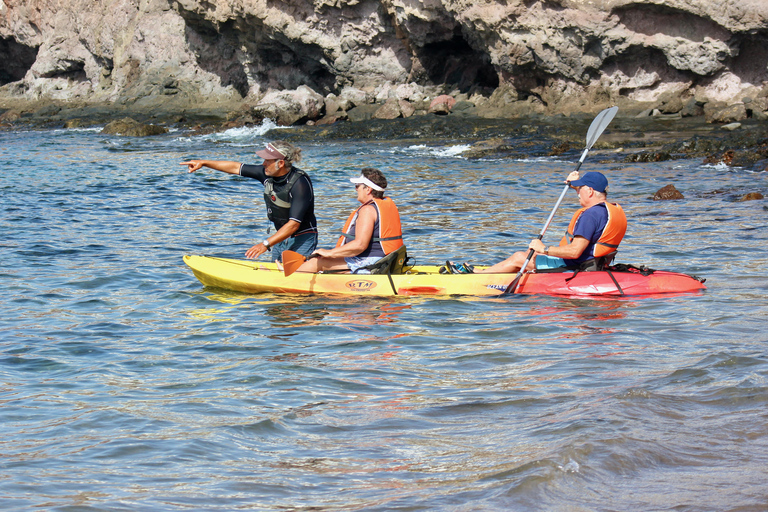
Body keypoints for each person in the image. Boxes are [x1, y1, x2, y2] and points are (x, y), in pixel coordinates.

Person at [180, 141, 318, 262]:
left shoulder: (300, 183)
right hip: (280, 238)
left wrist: (265, 244)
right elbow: (235, 167)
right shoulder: (266, 173)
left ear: (280, 163)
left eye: (267, 161)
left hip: (303, 237)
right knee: (277, 276)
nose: (263, 164)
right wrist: (204, 163)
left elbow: (293, 225)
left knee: (293, 276)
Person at [478, 170, 627, 273]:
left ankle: (477, 276)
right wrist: (573, 183)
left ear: (589, 191)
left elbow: (575, 251)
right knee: (531, 252)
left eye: (579, 188)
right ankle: (495, 271)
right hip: (595, 263)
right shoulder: (607, 210)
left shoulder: (590, 215)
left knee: (520, 257)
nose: (576, 193)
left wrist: (545, 249)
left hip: (578, 265)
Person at [298, 168, 403, 274]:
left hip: (372, 264)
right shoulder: (383, 205)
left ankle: (288, 279)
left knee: (316, 262)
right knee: (320, 261)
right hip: (386, 261)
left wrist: (329, 253)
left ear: (368, 189)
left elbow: (360, 245)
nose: (356, 189)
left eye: (358, 186)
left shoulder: (367, 210)